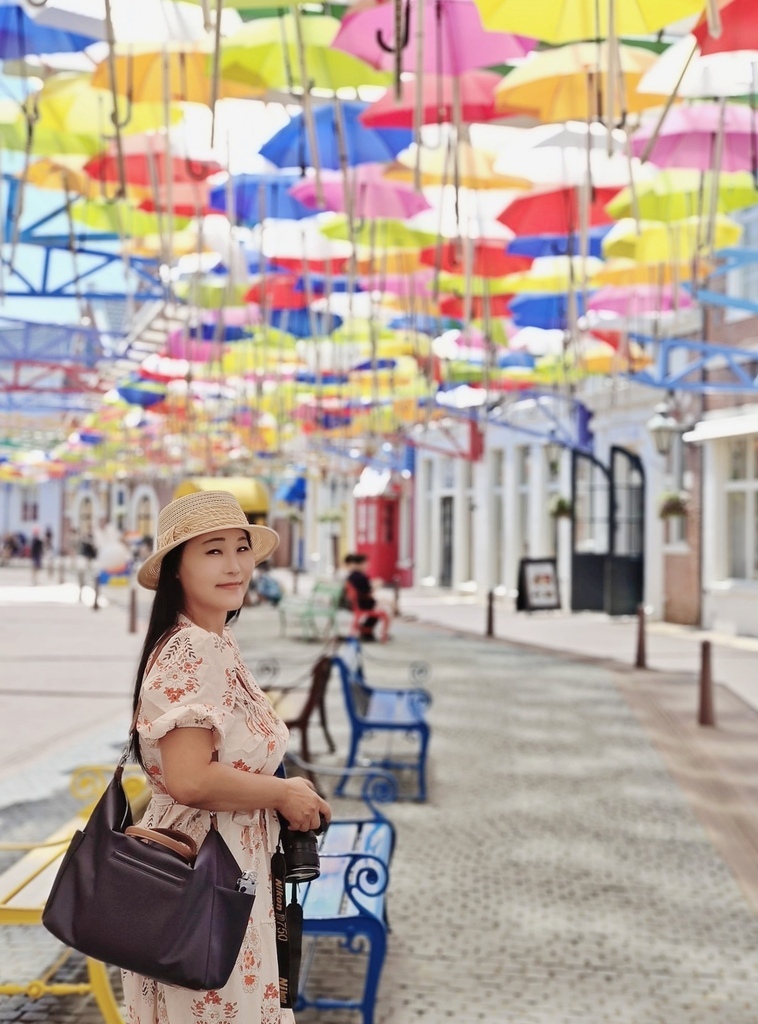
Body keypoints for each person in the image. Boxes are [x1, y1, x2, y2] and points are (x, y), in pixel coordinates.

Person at [123, 490, 331, 1024]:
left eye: (241, 548)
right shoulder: (194, 649)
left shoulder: (215, 641)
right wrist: (283, 793)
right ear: (175, 570)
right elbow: (190, 780)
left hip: (228, 871)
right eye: (213, 551)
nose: (235, 565)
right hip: (200, 875)